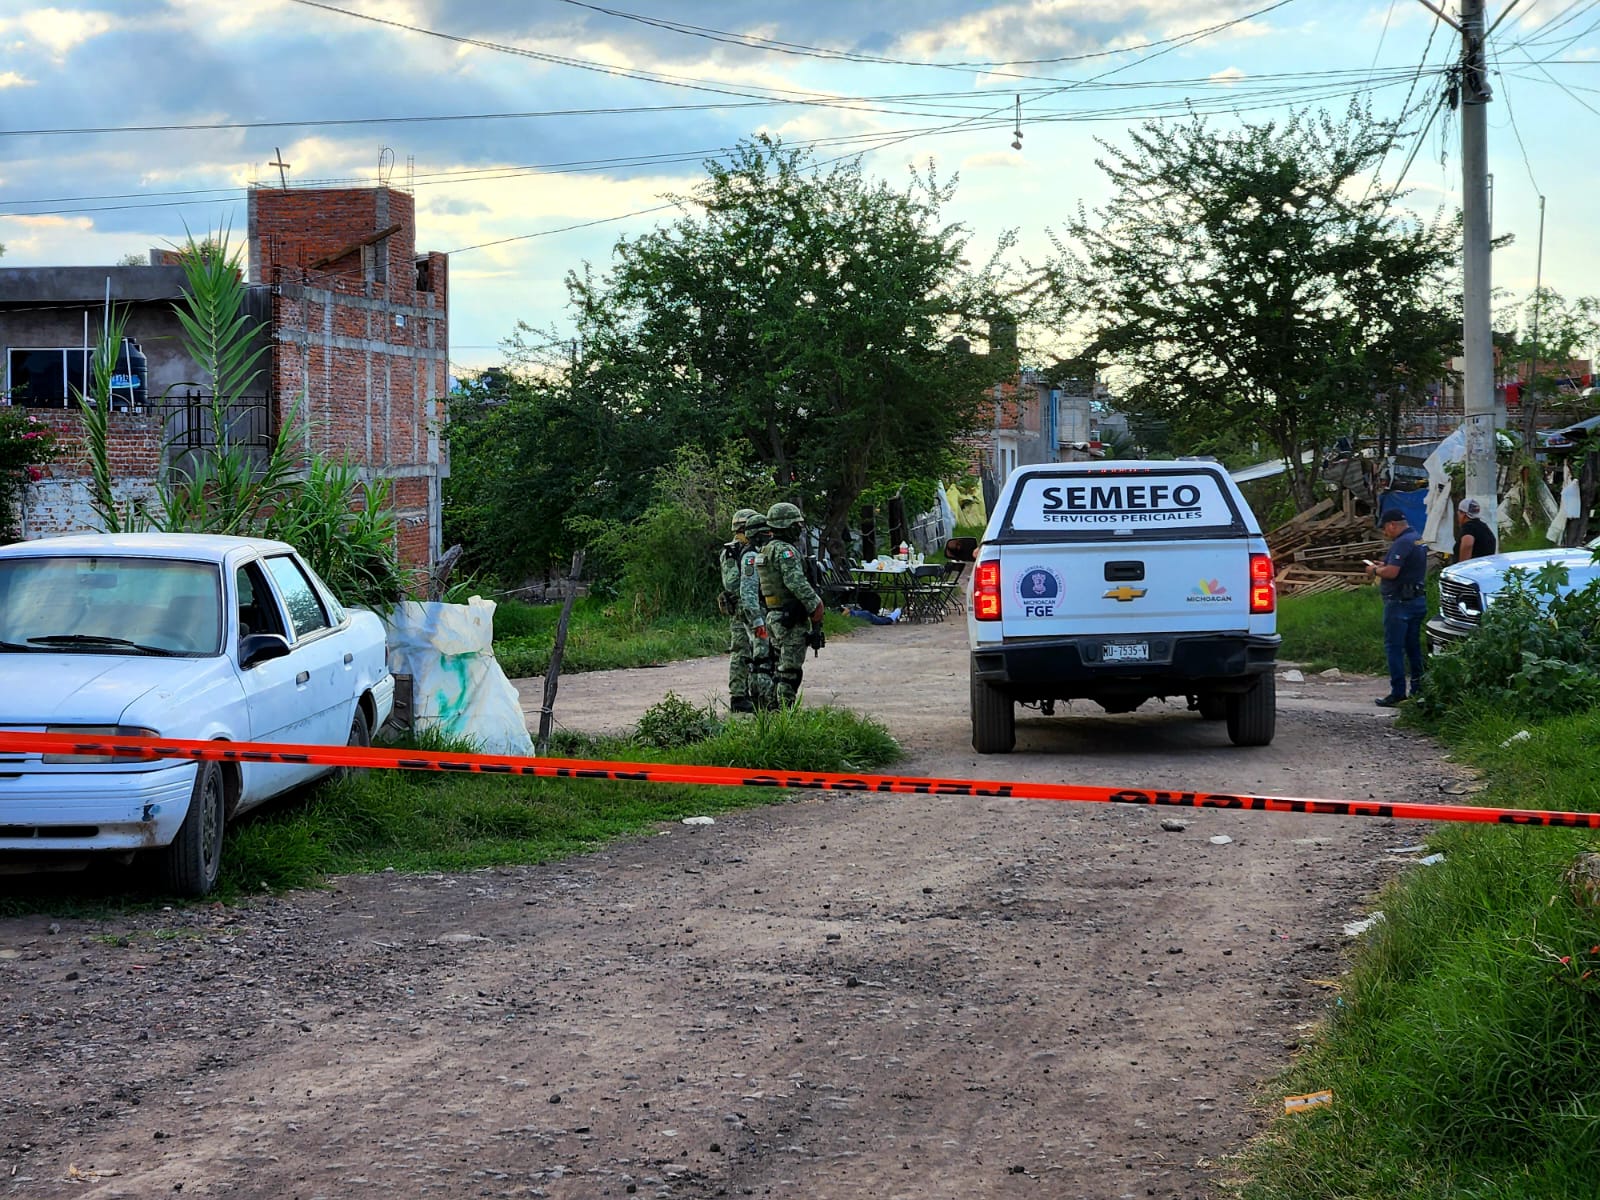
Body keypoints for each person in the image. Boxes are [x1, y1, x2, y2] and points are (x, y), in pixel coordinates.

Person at [757, 501, 825, 708]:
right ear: (787, 526)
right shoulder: (786, 552)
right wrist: (815, 605)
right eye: (796, 525)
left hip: (774, 616)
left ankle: (772, 711)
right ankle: (784, 715)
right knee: (790, 672)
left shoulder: (766, 550)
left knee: (780, 668)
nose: (799, 529)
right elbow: (795, 582)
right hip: (789, 619)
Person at [1365, 508, 1429, 707]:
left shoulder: (1402, 542)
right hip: (1417, 601)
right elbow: (1404, 566)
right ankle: (1419, 690)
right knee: (1413, 648)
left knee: (1394, 647)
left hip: (1400, 603)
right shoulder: (1418, 538)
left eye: (1385, 528)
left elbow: (1392, 572)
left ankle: (1398, 692)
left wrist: (1374, 569)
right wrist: (1384, 564)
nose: (1385, 532)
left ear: (1392, 525)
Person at [720, 509, 761, 712]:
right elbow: (732, 583)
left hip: (755, 607)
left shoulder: (753, 548)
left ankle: (757, 692)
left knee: (759, 653)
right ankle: (738, 696)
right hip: (740, 610)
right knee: (741, 652)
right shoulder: (732, 551)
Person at [737, 512, 776, 710]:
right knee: (762, 659)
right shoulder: (751, 556)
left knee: (762, 657)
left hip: (761, 613)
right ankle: (764, 701)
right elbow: (748, 592)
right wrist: (758, 621)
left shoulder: (758, 552)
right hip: (757, 615)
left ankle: (761, 699)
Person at [1453, 497, 1497, 561]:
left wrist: (1462, 566)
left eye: (1459, 512)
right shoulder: (1484, 527)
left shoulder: (1469, 528)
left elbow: (1468, 544)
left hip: (1473, 569)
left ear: (1463, 514)